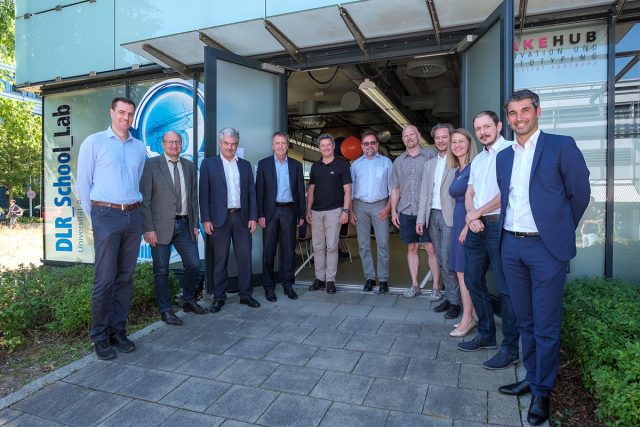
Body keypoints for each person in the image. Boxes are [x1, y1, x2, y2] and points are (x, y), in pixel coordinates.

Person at [496, 89, 590, 426]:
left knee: (547, 324)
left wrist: (558, 229)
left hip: (545, 248)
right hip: (512, 247)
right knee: (525, 321)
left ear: (537, 111)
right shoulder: (504, 156)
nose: (518, 118)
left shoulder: (561, 146)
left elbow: (580, 193)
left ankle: (542, 392)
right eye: (512, 113)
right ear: (507, 118)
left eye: (524, 110)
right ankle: (531, 377)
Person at [76, 97, 146, 360]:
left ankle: (118, 331)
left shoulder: (139, 148)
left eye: (130, 114)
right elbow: (82, 184)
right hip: (105, 214)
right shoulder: (94, 142)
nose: (125, 118)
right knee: (104, 280)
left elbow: (135, 180)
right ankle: (100, 336)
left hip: (133, 215)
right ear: (111, 113)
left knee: (125, 278)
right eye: (121, 113)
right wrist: (95, 217)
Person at [457, 111, 520, 371]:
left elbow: (507, 192)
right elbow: (470, 191)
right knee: (472, 279)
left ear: (499, 126)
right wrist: (471, 217)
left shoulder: (511, 151)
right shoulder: (480, 159)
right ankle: (485, 334)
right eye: (478, 128)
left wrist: (476, 213)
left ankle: (510, 348)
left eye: (487, 126)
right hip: (477, 226)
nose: (483, 132)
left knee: (506, 289)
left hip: (497, 225)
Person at [141, 130, 208, 326]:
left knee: (194, 264)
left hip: (185, 225)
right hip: (159, 227)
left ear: (182, 144)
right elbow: (145, 200)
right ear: (163, 144)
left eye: (177, 142)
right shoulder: (151, 165)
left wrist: (195, 223)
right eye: (170, 142)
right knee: (161, 270)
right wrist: (148, 228)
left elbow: (194, 199)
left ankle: (188, 301)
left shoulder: (188, 166)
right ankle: (165, 310)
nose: (174, 146)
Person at [199, 127, 260, 313]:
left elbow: (251, 192)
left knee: (244, 258)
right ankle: (219, 297)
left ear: (237, 144)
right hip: (219, 219)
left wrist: (253, 217)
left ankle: (246, 294)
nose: (230, 147)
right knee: (220, 260)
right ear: (220, 143)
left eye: (233, 144)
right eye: (226, 143)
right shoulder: (208, 164)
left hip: (241, 217)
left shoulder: (245, 165)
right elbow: (204, 194)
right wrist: (206, 219)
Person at [416, 123, 460, 319]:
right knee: (441, 260)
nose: (441, 140)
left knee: (448, 260)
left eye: (444, 137)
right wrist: (420, 218)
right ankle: (449, 297)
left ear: (450, 138)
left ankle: (456, 302)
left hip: (449, 215)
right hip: (432, 215)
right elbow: (424, 193)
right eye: (438, 138)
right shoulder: (429, 164)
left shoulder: (459, 162)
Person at [390, 125, 439, 298]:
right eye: (405, 136)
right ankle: (415, 285)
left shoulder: (431, 155)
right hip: (406, 211)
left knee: (431, 248)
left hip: (427, 211)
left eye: (412, 134)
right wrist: (394, 211)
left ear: (418, 135)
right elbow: (395, 188)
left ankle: (436, 287)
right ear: (402, 139)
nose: (409, 138)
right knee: (411, 247)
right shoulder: (398, 162)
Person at [256, 131, 305, 302]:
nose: (280, 146)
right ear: (272, 146)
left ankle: (287, 284)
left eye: (283, 143)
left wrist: (301, 214)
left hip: (289, 211)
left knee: (288, 251)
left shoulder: (296, 165)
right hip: (270, 212)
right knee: (269, 250)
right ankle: (269, 287)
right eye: (277, 143)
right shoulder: (264, 164)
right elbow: (259, 191)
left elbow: (300, 192)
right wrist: (260, 214)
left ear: (287, 145)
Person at [306, 133, 352, 294]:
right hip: (316, 211)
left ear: (333, 146)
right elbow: (311, 189)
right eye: (322, 145)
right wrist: (308, 210)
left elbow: (348, 190)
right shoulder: (315, 167)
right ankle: (319, 278)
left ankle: (330, 280)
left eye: (328, 145)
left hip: (335, 211)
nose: (325, 147)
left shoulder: (342, 165)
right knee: (317, 247)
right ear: (319, 148)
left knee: (332, 247)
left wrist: (346, 210)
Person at [349, 131, 392, 293]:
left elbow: (392, 187)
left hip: (380, 205)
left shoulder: (386, 162)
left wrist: (388, 208)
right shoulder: (355, 165)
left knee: (383, 243)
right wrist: (351, 210)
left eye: (372, 143)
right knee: (363, 244)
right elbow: (350, 189)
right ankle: (369, 277)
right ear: (361, 146)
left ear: (377, 144)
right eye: (366, 143)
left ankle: (383, 279)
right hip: (359, 206)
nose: (369, 146)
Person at [446, 129, 478, 336]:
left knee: (463, 271)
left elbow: (478, 199)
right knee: (461, 270)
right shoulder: (459, 169)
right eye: (454, 142)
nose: (457, 145)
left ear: (469, 143)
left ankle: (467, 320)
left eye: (461, 141)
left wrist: (467, 226)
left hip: (467, 222)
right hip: (459, 220)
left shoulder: (475, 167)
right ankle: (473, 315)